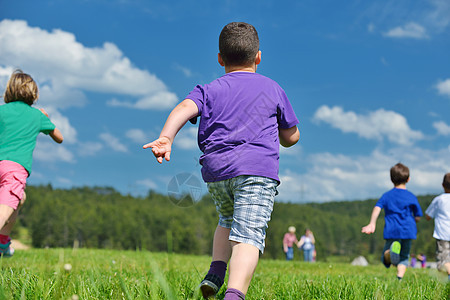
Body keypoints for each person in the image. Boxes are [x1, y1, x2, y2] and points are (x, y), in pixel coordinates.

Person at [143, 22, 299, 300]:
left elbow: (184, 107)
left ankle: (216, 272)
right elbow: (291, 136)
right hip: (256, 170)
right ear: (258, 57)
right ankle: (234, 294)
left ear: (220, 58)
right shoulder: (273, 88)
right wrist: (283, 133)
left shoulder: (209, 88)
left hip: (217, 172)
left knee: (227, 219)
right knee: (248, 235)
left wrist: (166, 137)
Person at [0, 70, 63, 257]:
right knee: (7, 204)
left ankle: (3, 241)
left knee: (20, 198)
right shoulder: (37, 116)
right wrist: (45, 118)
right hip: (14, 169)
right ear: (33, 94)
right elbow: (59, 137)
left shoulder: (2, 110)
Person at [361, 163, 422, 281]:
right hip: (408, 230)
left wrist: (372, 223)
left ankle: (389, 253)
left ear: (391, 179)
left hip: (392, 229)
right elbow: (418, 216)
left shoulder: (387, 195)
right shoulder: (411, 197)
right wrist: (414, 220)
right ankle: (399, 278)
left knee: (386, 261)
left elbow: (377, 207)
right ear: (408, 179)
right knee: (404, 257)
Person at [425, 173, 450, 281]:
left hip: (443, 234)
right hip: (443, 234)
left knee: (443, 261)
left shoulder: (439, 200)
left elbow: (428, 216)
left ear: (442, 185)